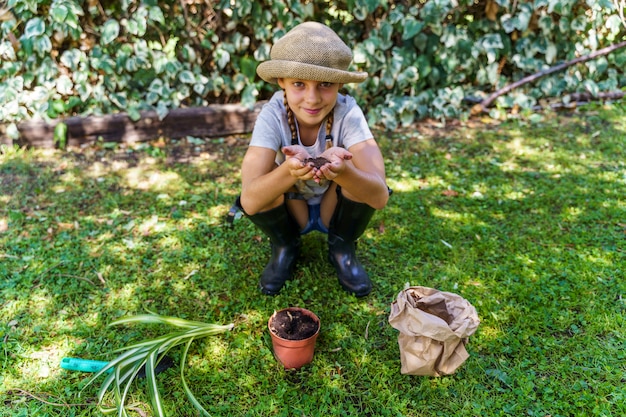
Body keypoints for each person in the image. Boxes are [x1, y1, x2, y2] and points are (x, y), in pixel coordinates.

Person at [238, 21, 389, 297]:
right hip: (294, 208)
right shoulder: (272, 115)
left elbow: (379, 196)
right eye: (298, 84)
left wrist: (343, 172)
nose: (312, 98)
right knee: (263, 175)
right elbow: (249, 200)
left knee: (357, 166)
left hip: (335, 206)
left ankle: (342, 249)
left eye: (325, 84)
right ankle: (285, 247)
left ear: (341, 83)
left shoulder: (348, 113)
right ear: (281, 82)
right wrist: (288, 172)